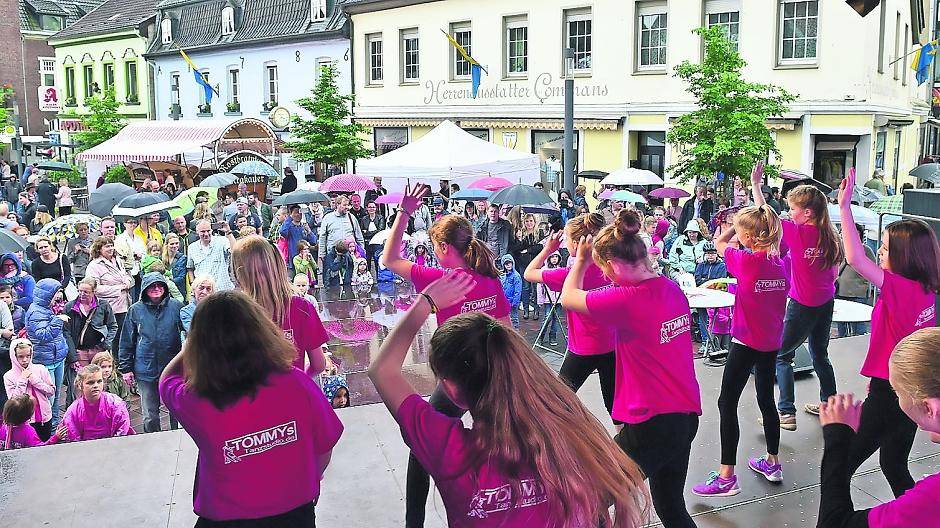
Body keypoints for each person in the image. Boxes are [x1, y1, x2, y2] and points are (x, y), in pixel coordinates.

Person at [369, 271, 648, 527]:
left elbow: (382, 370)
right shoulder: (571, 435)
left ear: (451, 390)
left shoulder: (449, 449)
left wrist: (425, 303)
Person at [560, 209, 702, 528]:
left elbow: (569, 297)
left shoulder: (626, 299)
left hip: (652, 425)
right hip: (684, 419)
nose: (607, 278)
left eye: (605, 271)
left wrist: (581, 261)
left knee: (589, 500)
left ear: (612, 265)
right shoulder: (670, 288)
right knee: (670, 506)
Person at [381, 185, 512, 528]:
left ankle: (415, 522)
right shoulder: (489, 281)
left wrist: (404, 212)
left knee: (422, 448)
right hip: (490, 377)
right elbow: (507, 330)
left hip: (456, 381)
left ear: (442, 248)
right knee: (497, 444)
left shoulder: (439, 278)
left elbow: (389, 259)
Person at [159, 290, 342, 527]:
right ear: (263, 330)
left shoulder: (196, 400)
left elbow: (166, 381)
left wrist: (193, 342)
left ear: (200, 346)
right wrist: (312, 480)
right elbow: (325, 444)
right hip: (295, 511)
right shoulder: (297, 383)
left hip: (225, 517)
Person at [834, 169, 940, 499]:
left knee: (841, 466)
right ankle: (918, 516)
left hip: (893, 391)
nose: (879, 252)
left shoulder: (901, 289)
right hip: (906, 382)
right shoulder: (925, 290)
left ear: (905, 256)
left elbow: (854, 257)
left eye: (884, 247)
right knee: (893, 463)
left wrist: (845, 208)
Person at [691, 205, 789, 497]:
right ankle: (772, 462)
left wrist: (732, 225)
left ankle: (726, 476)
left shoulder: (746, 262)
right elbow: (773, 240)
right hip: (771, 343)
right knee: (766, 401)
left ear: (747, 236)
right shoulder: (783, 263)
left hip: (745, 343)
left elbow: (720, 243)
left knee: (726, 403)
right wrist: (746, 222)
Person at [752, 160, 843, 430]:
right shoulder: (830, 235)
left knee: (782, 355)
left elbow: (765, 213)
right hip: (825, 303)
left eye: (793, 209)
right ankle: (829, 406)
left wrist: (756, 184)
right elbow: (835, 272)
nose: (789, 214)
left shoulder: (799, 233)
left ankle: (786, 412)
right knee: (820, 354)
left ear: (807, 212)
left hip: (803, 304)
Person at [817, 328, 940, 527]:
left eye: (897, 392)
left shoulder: (932, 498)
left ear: (929, 408)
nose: (897, 396)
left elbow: (834, 524)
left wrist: (836, 436)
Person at [525, 213, 619, 419]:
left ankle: (559, 443)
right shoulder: (611, 269)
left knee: (557, 402)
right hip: (611, 345)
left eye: (567, 239)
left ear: (577, 244)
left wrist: (548, 249)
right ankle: (622, 447)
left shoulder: (568, 275)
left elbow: (529, 273)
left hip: (583, 349)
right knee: (614, 405)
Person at [231, 236, 329, 377]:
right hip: (292, 395)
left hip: (250, 397)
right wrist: (300, 382)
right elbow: (319, 365)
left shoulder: (234, 314)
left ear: (238, 274)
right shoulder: (302, 308)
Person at [119, 272, 184, 433]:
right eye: (151, 286)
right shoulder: (135, 310)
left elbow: (190, 332)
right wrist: (126, 368)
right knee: (150, 413)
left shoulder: (176, 307)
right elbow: (127, 340)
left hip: (173, 368)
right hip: (145, 369)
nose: (156, 289)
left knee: (177, 410)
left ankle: (176, 439)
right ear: (144, 289)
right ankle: (152, 440)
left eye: (159, 285)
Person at [62, 277, 118, 407]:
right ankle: (79, 411)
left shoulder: (103, 306)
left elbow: (113, 326)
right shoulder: (70, 307)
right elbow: (66, 332)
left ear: (94, 292)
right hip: (79, 351)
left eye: (86, 292)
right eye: (80, 291)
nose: (82, 294)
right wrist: (72, 356)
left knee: (99, 382)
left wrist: (106, 344)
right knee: (80, 384)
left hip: (97, 350)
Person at [25, 278, 70, 427]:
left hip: (57, 358)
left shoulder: (48, 308)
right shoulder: (36, 312)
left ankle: (55, 426)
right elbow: (43, 335)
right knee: (48, 398)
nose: (59, 296)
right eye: (56, 292)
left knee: (56, 396)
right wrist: (59, 320)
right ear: (47, 295)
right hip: (45, 362)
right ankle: (48, 429)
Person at [85, 237, 133, 355]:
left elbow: (125, 274)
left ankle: (120, 362)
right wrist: (119, 288)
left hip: (124, 304)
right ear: (99, 249)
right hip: (108, 307)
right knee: (110, 337)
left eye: (111, 245)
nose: (110, 248)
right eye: (107, 246)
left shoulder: (118, 260)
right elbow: (94, 289)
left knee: (123, 336)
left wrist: (127, 280)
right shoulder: (94, 265)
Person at [60, 364, 133, 441]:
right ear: (80, 385)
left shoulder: (115, 403)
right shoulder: (73, 410)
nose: (96, 385)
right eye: (90, 382)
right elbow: (72, 437)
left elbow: (123, 428)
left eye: (99, 381)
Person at [3, 338, 55, 441]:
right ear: (14, 357)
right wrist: (23, 380)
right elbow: (14, 400)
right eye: (20, 357)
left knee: (45, 445)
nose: (25, 360)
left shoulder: (40, 369)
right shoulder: (8, 376)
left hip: (45, 418)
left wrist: (34, 380)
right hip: (26, 422)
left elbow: (51, 391)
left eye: (28, 356)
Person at [836, 223, 875, 337]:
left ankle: (859, 342)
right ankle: (842, 341)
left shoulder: (865, 250)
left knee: (858, 321)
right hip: (841, 289)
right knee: (841, 321)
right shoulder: (840, 247)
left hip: (858, 291)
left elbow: (873, 268)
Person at [318, 196, 365, 281]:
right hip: (333, 254)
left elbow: (359, 237)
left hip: (349, 254)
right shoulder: (328, 218)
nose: (347, 207)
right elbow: (322, 237)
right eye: (344, 205)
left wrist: (361, 252)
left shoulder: (352, 218)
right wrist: (322, 253)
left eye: (348, 205)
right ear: (337, 205)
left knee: (349, 281)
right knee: (332, 281)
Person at [187, 220, 235, 291]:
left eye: (208, 231)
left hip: (223, 289)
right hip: (203, 291)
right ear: (197, 232)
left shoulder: (222, 241)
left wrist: (228, 232)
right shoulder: (192, 247)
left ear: (212, 230)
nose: (206, 234)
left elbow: (234, 250)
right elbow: (190, 268)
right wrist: (193, 284)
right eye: (203, 231)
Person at [513, 213, 542, 320]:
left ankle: (536, 310)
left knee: (535, 287)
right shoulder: (521, 233)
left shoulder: (539, 233)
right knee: (525, 287)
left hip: (535, 264)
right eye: (527, 221)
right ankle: (525, 309)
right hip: (523, 264)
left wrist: (528, 250)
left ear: (534, 222)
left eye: (531, 221)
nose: (529, 223)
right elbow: (516, 248)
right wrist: (521, 240)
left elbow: (540, 247)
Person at [280, 205, 317, 274]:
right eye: (296, 212)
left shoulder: (303, 227)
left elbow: (313, 241)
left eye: (300, 212)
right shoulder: (289, 227)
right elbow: (282, 232)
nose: (298, 215)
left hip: (305, 259)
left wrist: (309, 231)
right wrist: (290, 218)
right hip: (293, 259)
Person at [536, 252, 562, 345]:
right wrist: (540, 299)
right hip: (548, 299)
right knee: (548, 318)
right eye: (552, 257)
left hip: (559, 300)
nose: (554, 259)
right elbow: (540, 286)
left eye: (556, 257)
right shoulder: (544, 270)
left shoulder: (561, 270)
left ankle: (553, 337)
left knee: (556, 319)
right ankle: (541, 337)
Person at [360, 201, 386, 272]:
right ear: (367, 208)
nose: (372, 209)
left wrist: (367, 232)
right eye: (370, 207)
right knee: (367, 261)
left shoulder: (380, 218)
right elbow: (362, 233)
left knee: (377, 260)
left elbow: (380, 231)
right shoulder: (364, 219)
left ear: (376, 208)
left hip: (377, 243)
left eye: (373, 207)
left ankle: (378, 278)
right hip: (367, 243)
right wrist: (373, 232)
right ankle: (367, 278)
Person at [498, 254, 522, 329]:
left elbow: (518, 290)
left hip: (512, 301)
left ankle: (516, 332)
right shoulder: (502, 275)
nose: (508, 265)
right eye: (506, 264)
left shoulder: (516, 276)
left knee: (514, 318)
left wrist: (515, 302)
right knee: (504, 318)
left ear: (513, 263)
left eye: (509, 263)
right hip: (504, 301)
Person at [162, 233, 188, 299]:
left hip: (178, 291)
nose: (175, 246)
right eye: (172, 244)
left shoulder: (182, 258)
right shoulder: (161, 258)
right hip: (163, 291)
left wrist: (169, 282)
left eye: (176, 243)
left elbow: (182, 277)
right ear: (166, 244)